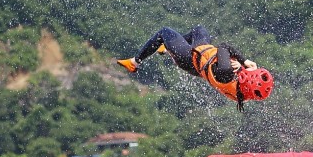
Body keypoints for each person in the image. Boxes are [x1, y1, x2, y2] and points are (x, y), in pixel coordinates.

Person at [117, 26, 274, 111]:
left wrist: (244, 61)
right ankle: (166, 49)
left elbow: (224, 46)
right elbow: (241, 80)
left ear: (247, 79)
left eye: (252, 73)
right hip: (202, 54)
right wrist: (241, 68)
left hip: (190, 59)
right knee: (198, 30)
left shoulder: (226, 73)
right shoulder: (242, 94)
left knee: (163, 32)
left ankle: (134, 62)